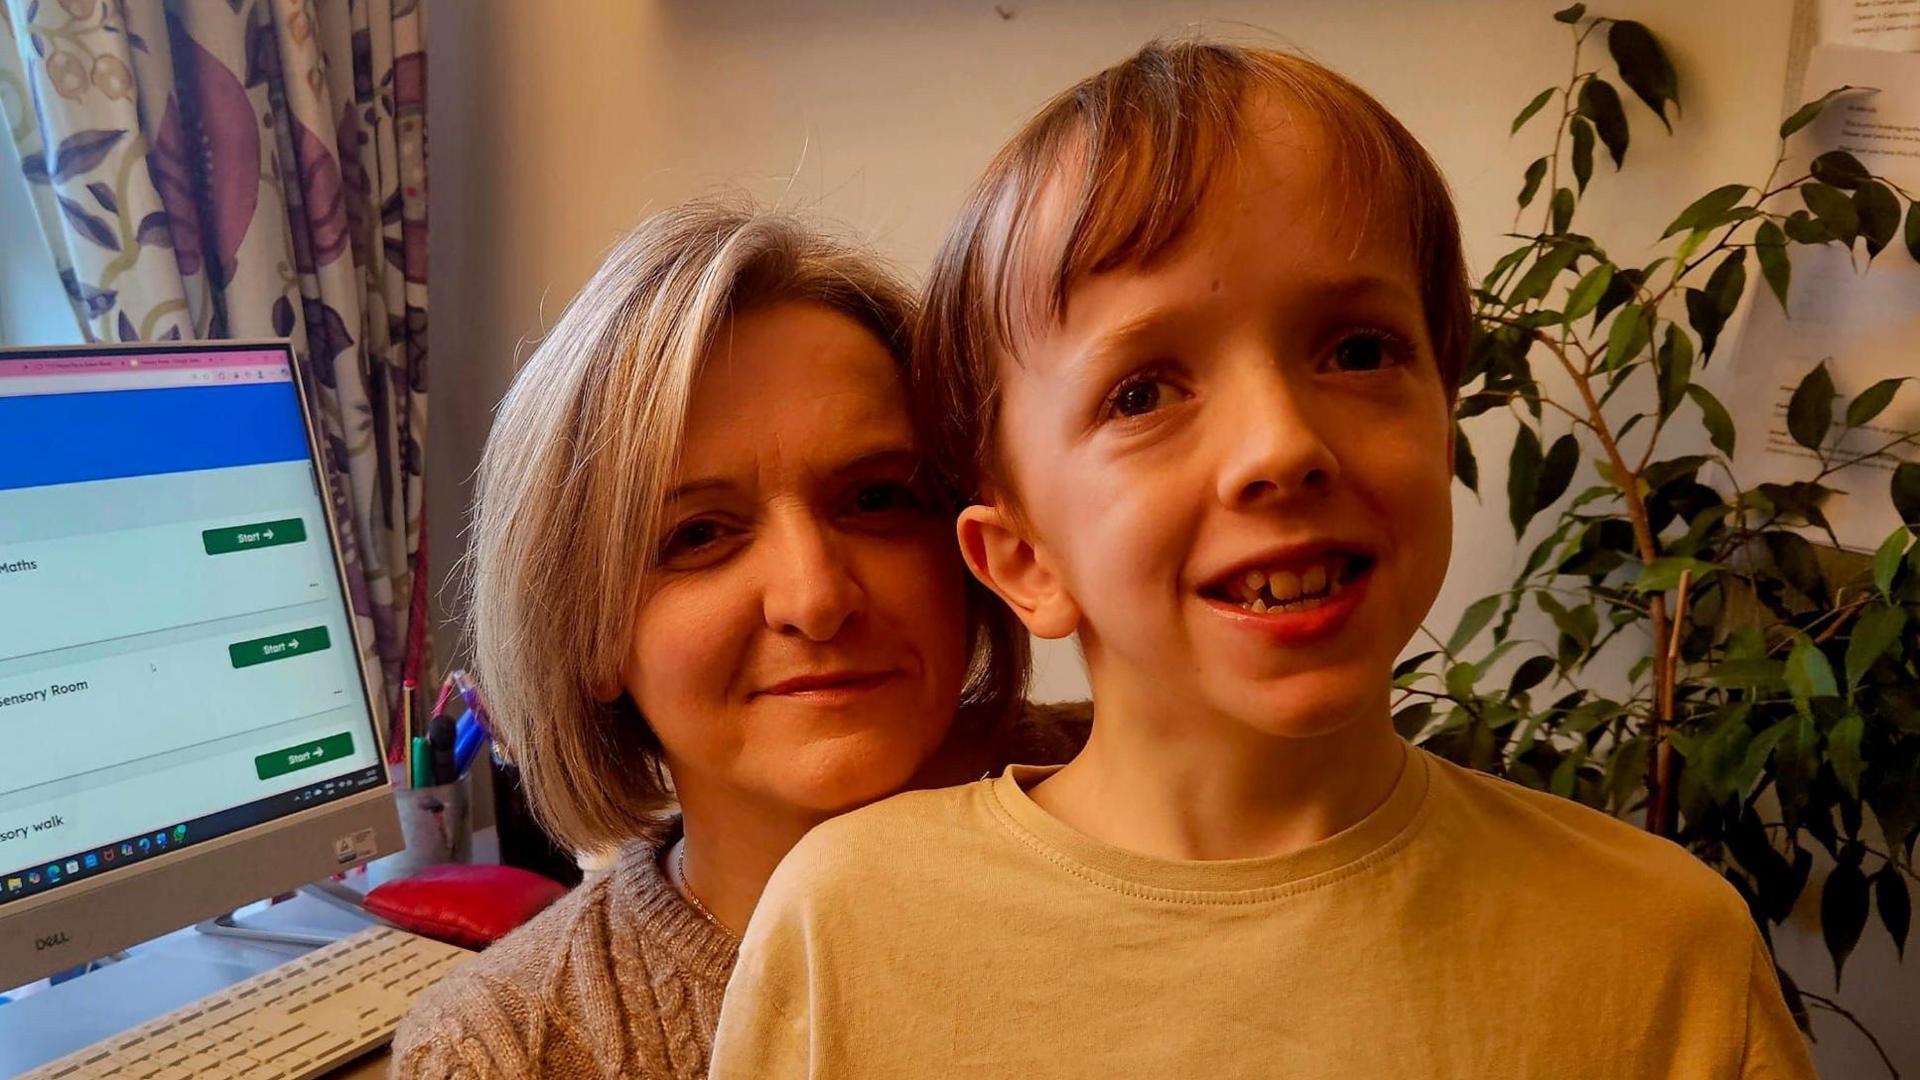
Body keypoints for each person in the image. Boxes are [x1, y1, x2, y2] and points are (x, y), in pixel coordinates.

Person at [709, 41, 1816, 1077]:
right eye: (1143, 392)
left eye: (1357, 349)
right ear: (1023, 561)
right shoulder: (848, 925)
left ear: (1443, 423)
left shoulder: (1666, 946)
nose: (1282, 446)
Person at [390, 202, 1086, 1079]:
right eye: (699, 535)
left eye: (876, 498)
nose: (816, 597)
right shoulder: (509, 1051)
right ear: (590, 632)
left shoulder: (1207, 793)